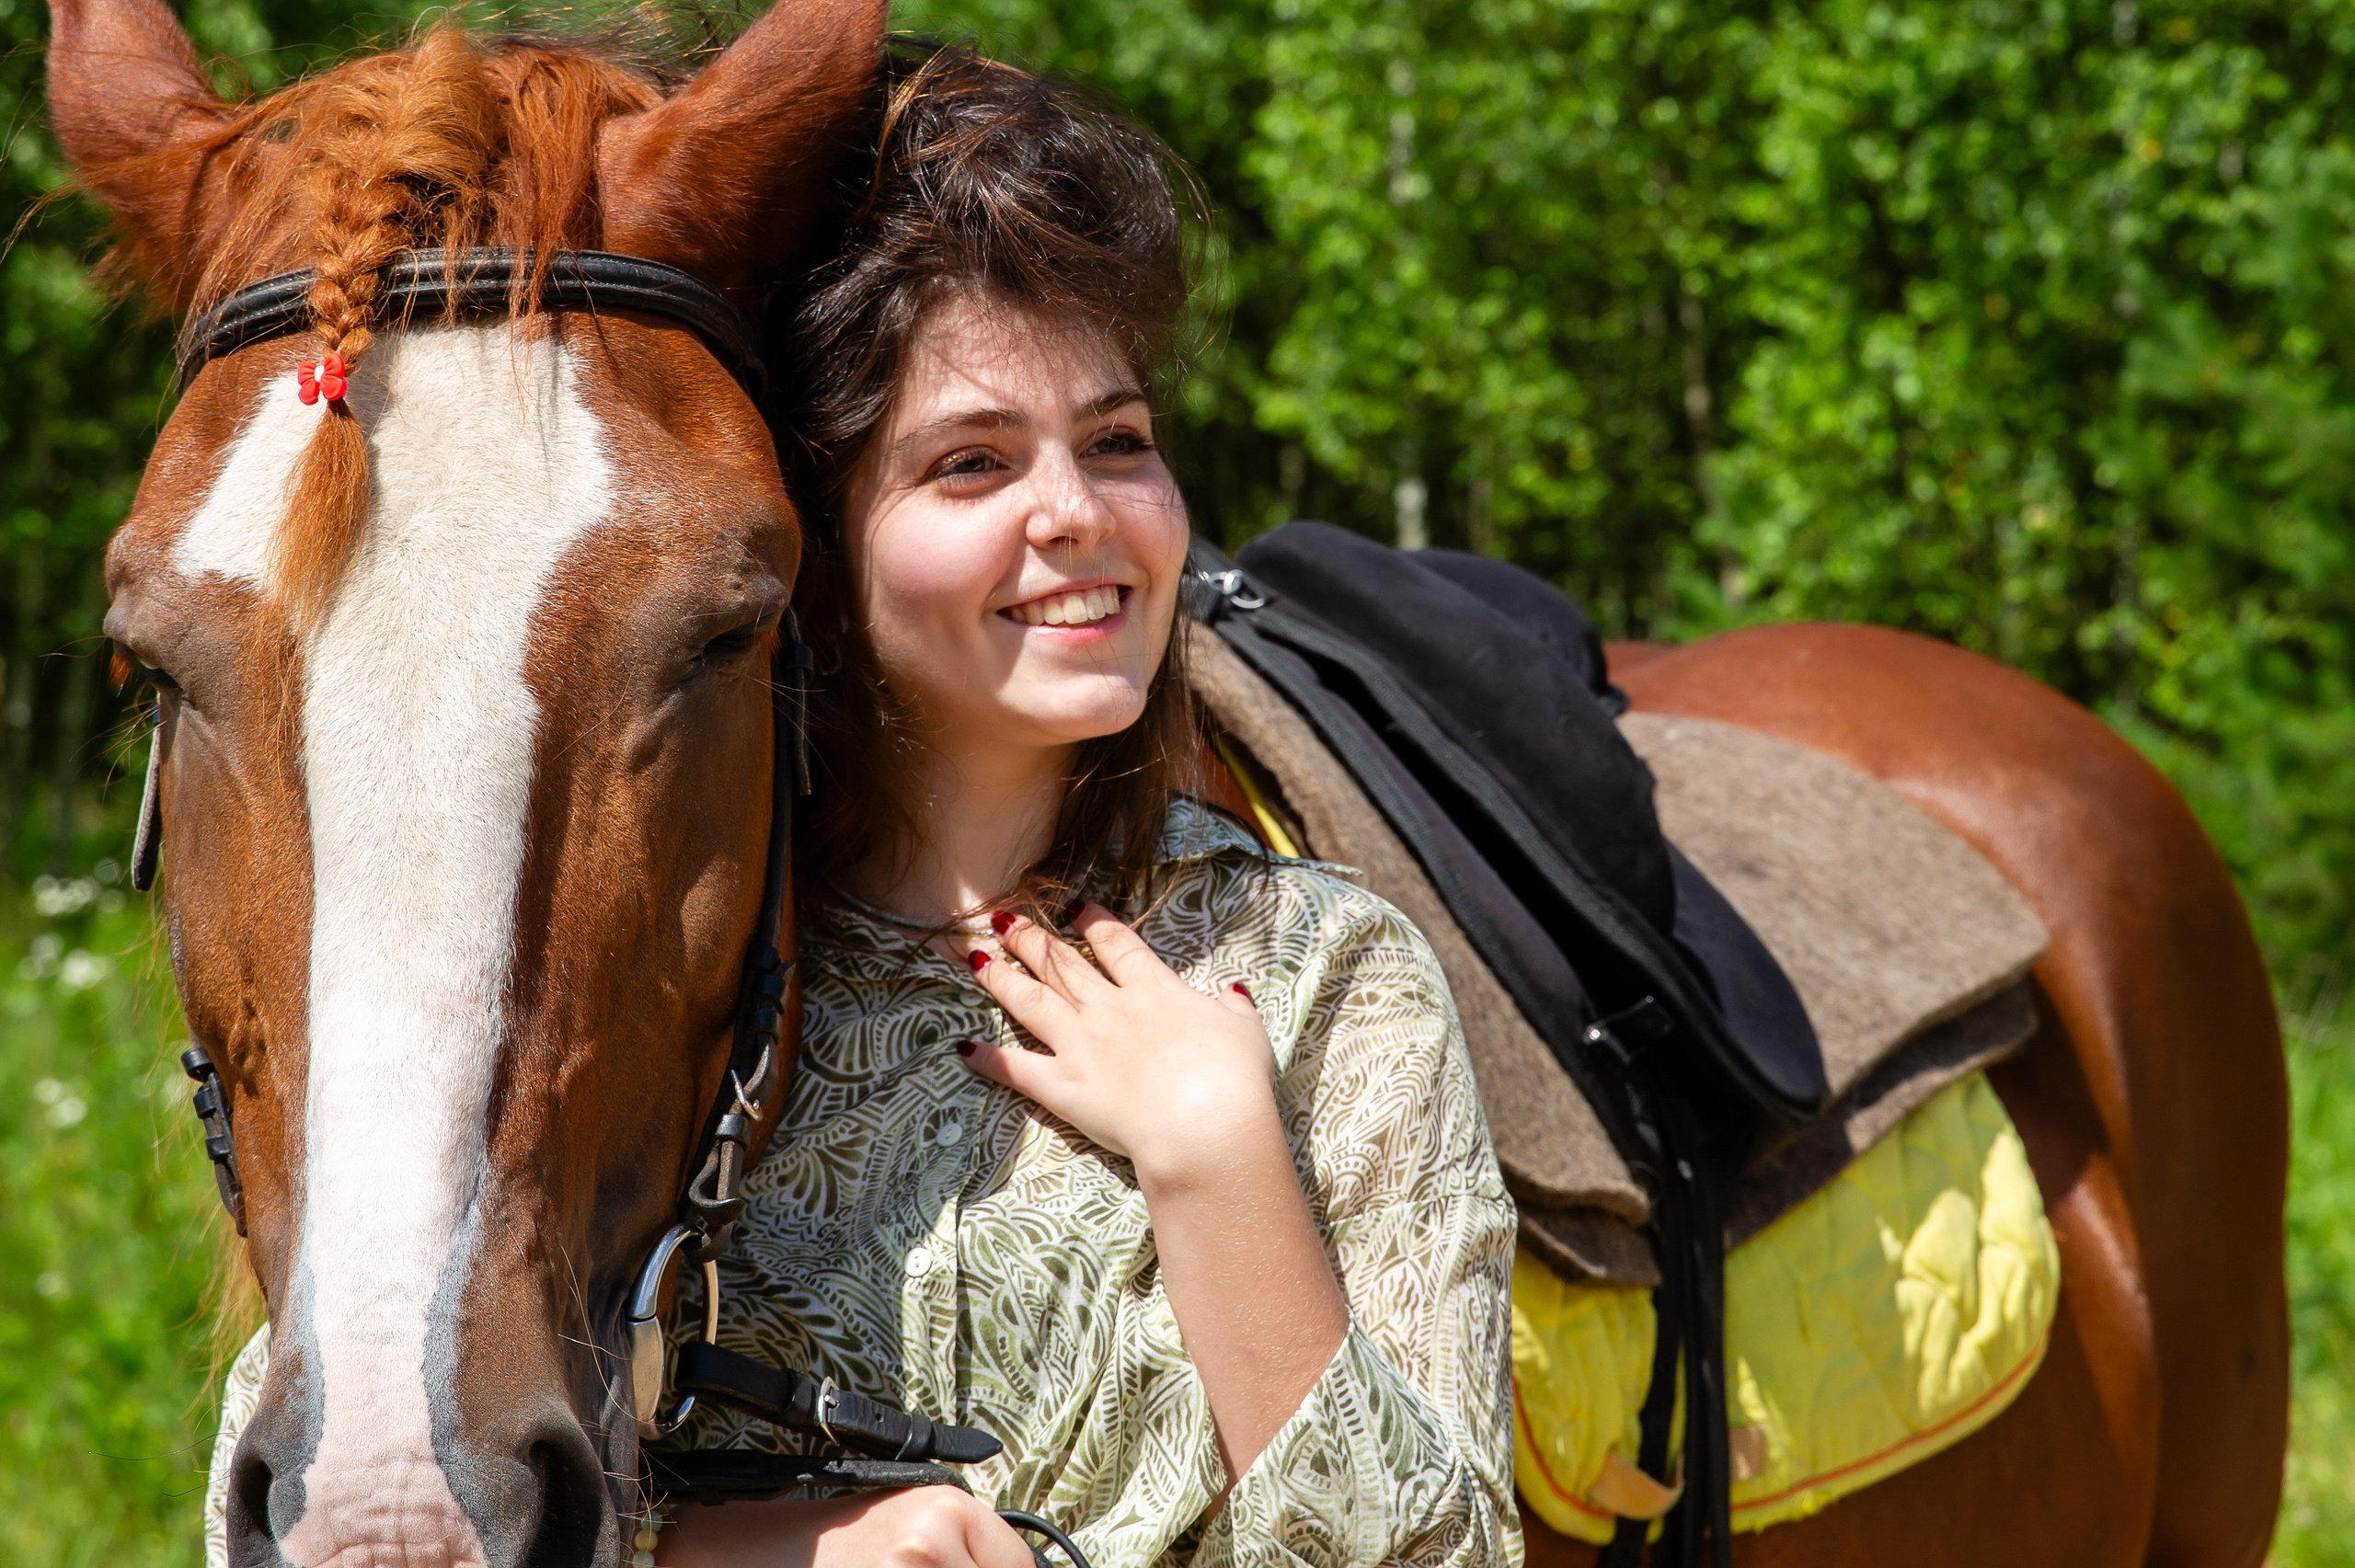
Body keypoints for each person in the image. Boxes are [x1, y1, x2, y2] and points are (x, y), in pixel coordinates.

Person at [206, 44, 1519, 1568]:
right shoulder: (636, 973)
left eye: (1117, 442)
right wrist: (765, 1554)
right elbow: (309, 1499)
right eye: (971, 463)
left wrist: (1220, 1164)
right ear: (813, 547)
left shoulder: (1331, 982)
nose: (1075, 511)